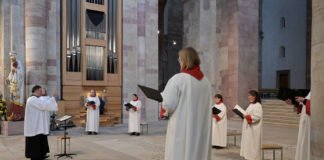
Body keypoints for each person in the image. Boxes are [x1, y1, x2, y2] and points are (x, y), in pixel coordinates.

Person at [161, 47, 213, 160]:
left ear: (184, 60)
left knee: (180, 153)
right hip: (200, 129)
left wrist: (162, 103)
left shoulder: (178, 79)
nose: (179, 61)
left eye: (180, 59)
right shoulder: (206, 81)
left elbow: (168, 104)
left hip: (182, 128)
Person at [24, 85, 58, 160]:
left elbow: (45, 104)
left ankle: (40, 155)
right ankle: (35, 157)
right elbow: (44, 105)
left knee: (40, 141)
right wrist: (53, 97)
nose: (41, 92)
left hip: (38, 126)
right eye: (40, 90)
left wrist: (52, 98)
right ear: (37, 90)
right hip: (34, 127)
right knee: (35, 143)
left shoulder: (36, 99)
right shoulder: (32, 99)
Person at [240, 90, 263, 160]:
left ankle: (253, 158)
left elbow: (258, 116)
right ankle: (248, 157)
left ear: (256, 97)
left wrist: (247, 116)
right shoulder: (251, 105)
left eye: (252, 96)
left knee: (253, 145)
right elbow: (247, 114)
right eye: (249, 95)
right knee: (248, 144)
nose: (250, 97)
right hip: (248, 128)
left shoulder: (258, 105)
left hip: (253, 129)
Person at [7, 51, 24, 121]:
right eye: (10, 57)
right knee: (12, 100)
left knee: (17, 100)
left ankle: (18, 115)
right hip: (13, 86)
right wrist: (10, 75)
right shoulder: (12, 64)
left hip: (18, 86)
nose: (11, 58)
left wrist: (16, 70)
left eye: (12, 56)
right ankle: (12, 114)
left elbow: (22, 74)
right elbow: (11, 75)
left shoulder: (19, 63)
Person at [295, 92, 311, 160]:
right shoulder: (311, 92)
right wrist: (300, 102)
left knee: (306, 144)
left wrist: (304, 100)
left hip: (309, 123)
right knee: (302, 142)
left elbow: (315, 106)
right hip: (304, 121)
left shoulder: (318, 91)